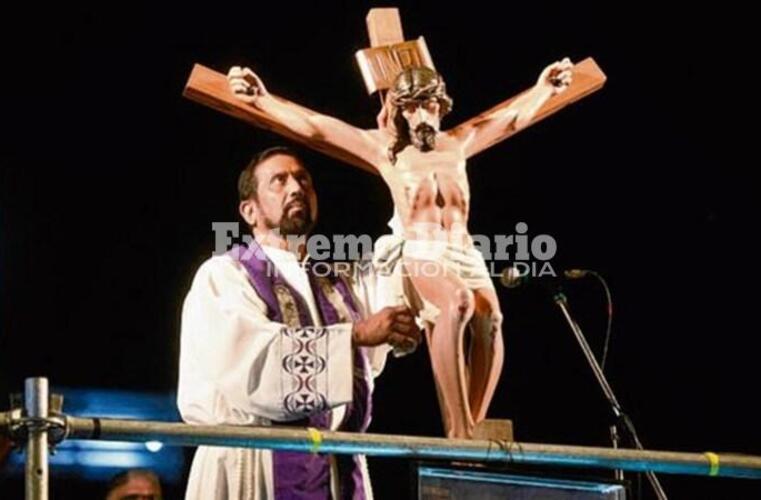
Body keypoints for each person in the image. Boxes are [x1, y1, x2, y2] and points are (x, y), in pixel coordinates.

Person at [227, 59, 574, 438]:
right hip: (422, 251)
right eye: (410, 106)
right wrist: (263, 99)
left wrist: (545, 89)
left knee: (490, 320)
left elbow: (510, 119)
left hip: (464, 249)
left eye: (428, 105)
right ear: (399, 110)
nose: (421, 114)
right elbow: (317, 127)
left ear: (441, 106)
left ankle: (472, 425)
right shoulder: (386, 150)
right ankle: (458, 430)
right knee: (458, 303)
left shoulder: (459, 142)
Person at [177, 146, 421, 499]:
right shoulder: (225, 275)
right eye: (280, 180)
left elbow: (395, 267)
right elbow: (253, 364)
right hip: (253, 462)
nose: (296, 188)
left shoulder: (338, 283)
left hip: (337, 467)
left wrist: (405, 164)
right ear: (249, 210)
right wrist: (353, 335)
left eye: (303, 179)